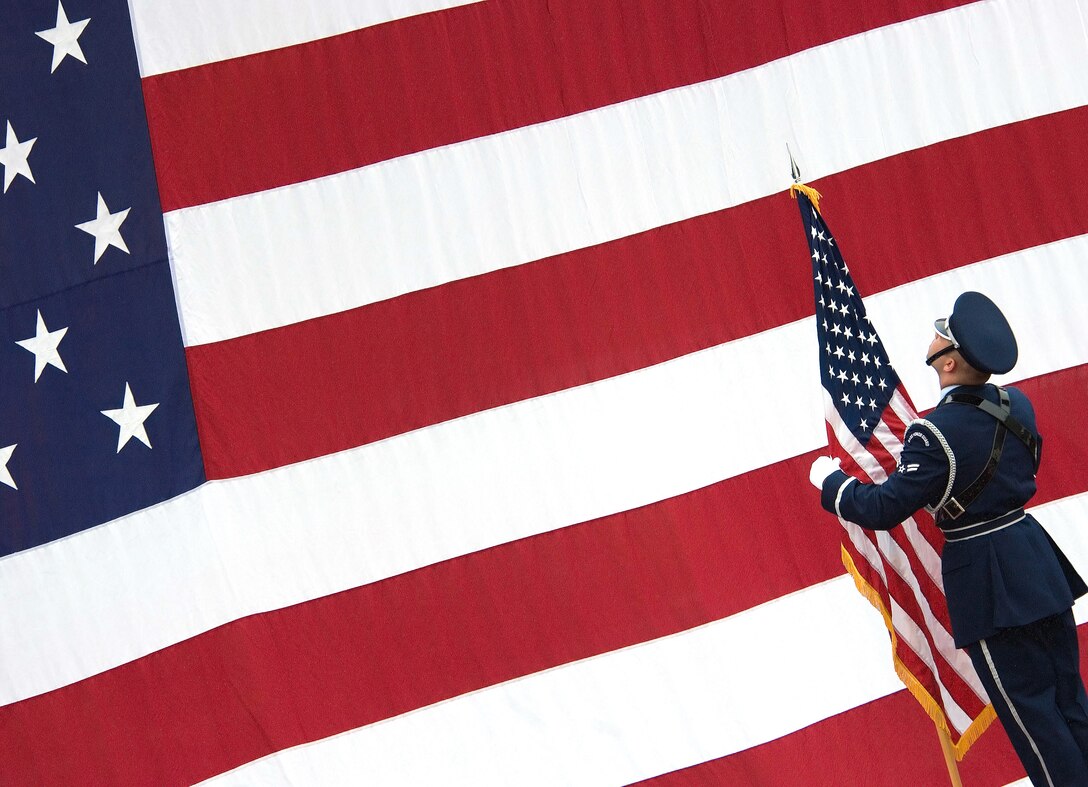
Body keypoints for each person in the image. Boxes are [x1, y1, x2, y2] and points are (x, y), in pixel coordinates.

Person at [809, 291, 1088, 786]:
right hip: (1037, 563)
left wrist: (833, 484)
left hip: (989, 583)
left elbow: (883, 507)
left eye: (941, 332)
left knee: (1036, 722)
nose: (933, 334)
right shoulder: (1016, 404)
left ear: (950, 360)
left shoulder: (934, 434)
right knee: (1071, 703)